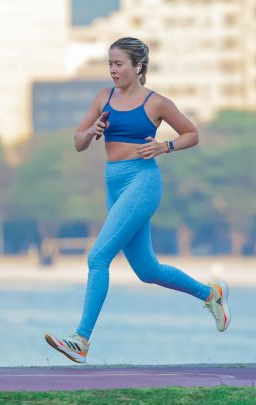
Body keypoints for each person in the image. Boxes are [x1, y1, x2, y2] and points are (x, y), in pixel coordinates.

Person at [44, 37, 230, 364]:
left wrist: (165, 146)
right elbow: (78, 141)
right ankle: (210, 294)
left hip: (142, 181)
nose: (113, 70)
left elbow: (192, 133)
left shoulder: (156, 103)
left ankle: (81, 340)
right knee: (147, 270)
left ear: (137, 66)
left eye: (118, 64)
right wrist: (91, 132)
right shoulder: (104, 97)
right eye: (110, 64)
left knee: (98, 257)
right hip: (113, 183)